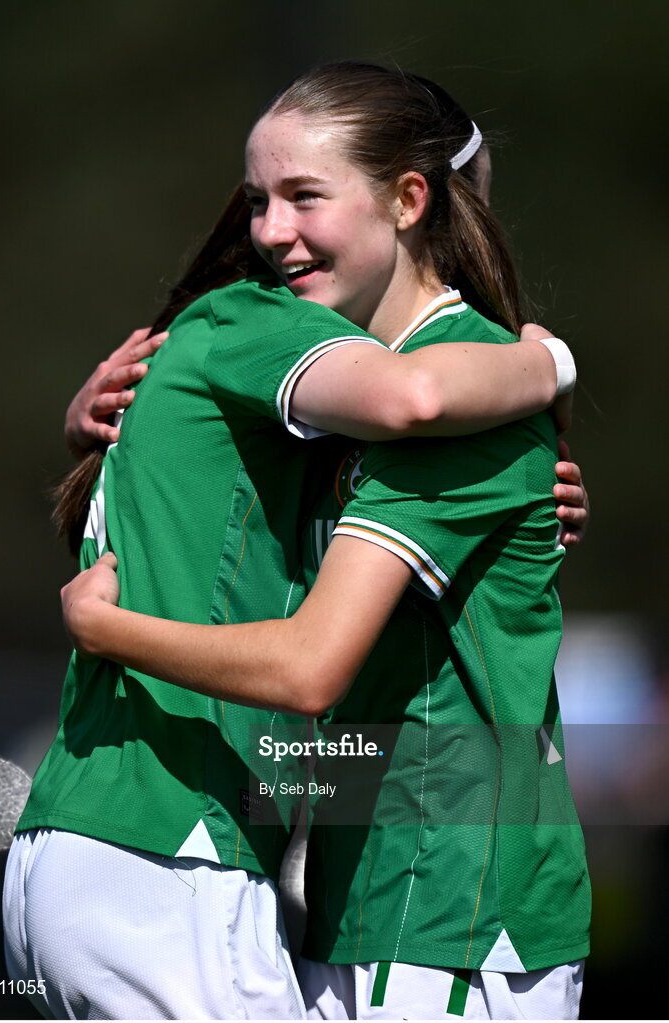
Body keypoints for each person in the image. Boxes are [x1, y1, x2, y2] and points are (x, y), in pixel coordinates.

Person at [60, 63, 590, 1020]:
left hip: (454, 923)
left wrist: (113, 637)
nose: (269, 231)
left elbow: (312, 669)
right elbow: (372, 727)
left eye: (305, 196)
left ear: (409, 200)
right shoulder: (343, 408)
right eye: (260, 200)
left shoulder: (456, 400)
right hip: (370, 902)